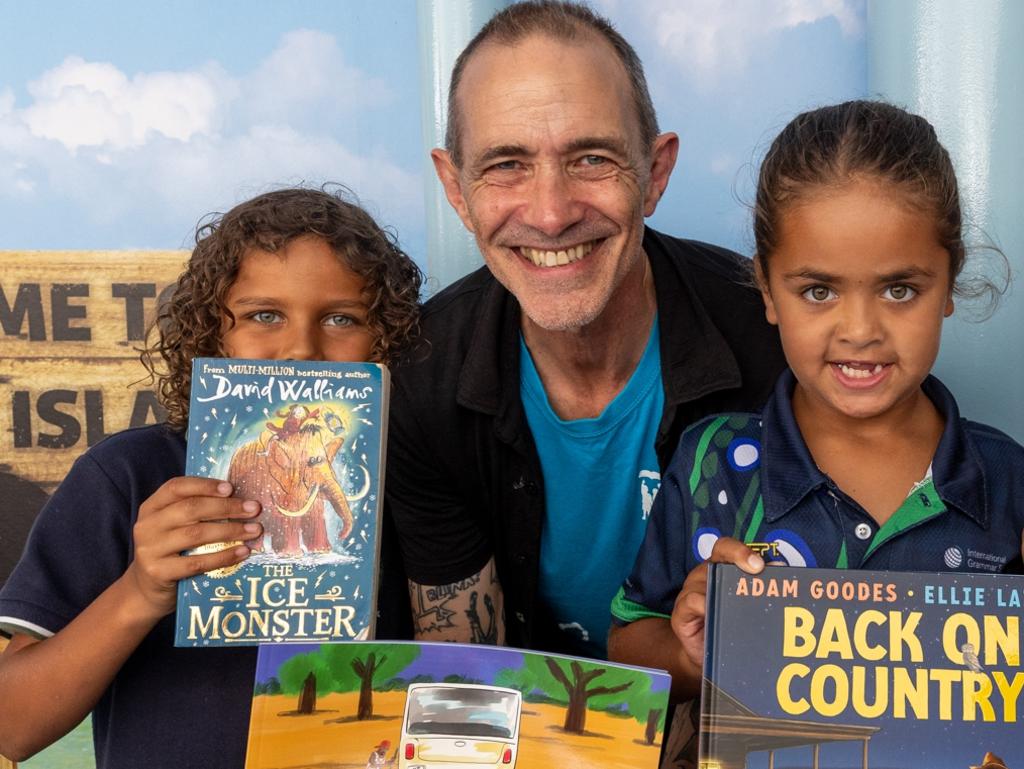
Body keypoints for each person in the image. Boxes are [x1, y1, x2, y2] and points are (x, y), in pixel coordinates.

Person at [384, 0, 786, 659]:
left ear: (654, 174)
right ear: (456, 190)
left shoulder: (778, 343)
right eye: (506, 164)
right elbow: (468, 679)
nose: (549, 214)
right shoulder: (423, 378)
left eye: (592, 158)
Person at [608, 101, 1023, 704]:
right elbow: (626, 639)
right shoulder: (714, 464)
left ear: (949, 283)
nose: (859, 329)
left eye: (900, 289)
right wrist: (690, 650)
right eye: (818, 290)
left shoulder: (1007, 480)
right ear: (768, 291)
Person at [0, 187, 423, 767]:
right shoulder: (126, 476)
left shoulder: (417, 483)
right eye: (263, 315)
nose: (302, 349)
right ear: (211, 333)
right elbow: (13, 726)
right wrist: (140, 592)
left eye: (342, 318)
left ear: (386, 341)